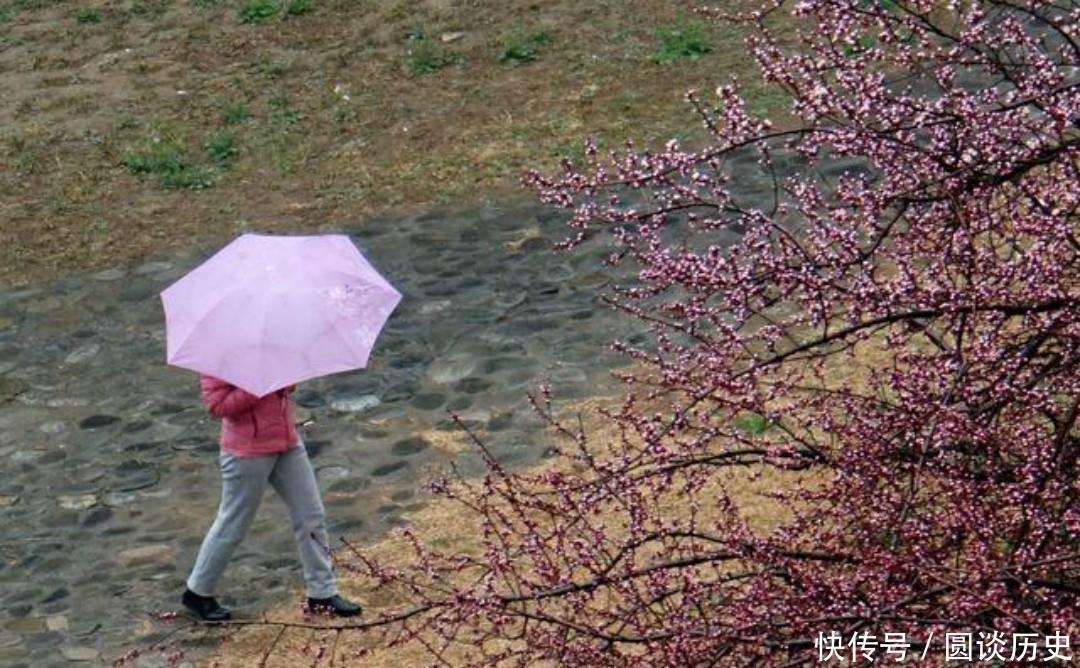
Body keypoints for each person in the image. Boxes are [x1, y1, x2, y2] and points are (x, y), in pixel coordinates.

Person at [180, 374, 362, 620]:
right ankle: (197, 592)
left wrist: (285, 378)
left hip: (287, 443)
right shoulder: (220, 357)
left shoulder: (272, 345)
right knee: (233, 524)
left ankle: (322, 592)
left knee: (311, 515)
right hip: (246, 453)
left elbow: (287, 386)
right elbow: (217, 406)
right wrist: (259, 384)